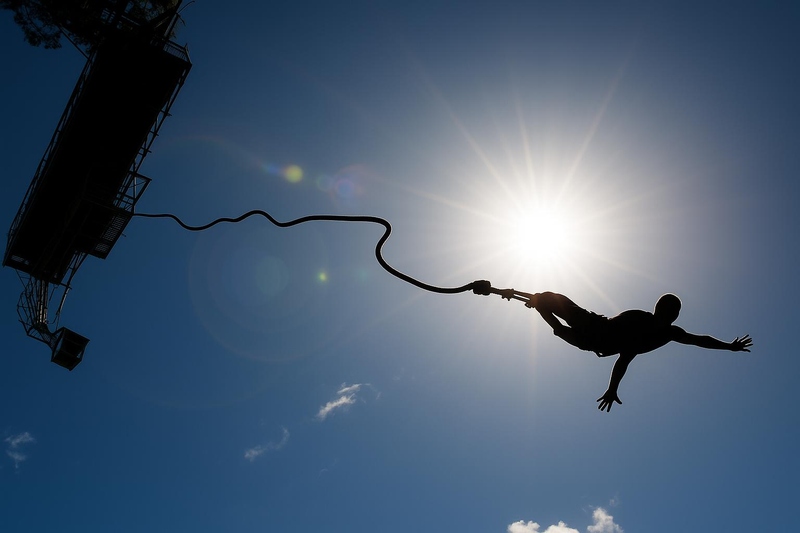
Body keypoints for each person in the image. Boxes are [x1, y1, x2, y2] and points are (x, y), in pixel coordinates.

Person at [498, 290, 752, 412]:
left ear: (674, 317)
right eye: (664, 312)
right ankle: (537, 299)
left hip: (596, 344)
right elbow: (624, 357)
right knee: (553, 299)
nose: (668, 317)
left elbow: (700, 340)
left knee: (557, 328)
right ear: (658, 311)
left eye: (672, 315)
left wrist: (728, 346)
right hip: (596, 327)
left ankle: (538, 304)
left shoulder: (669, 333)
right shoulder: (640, 320)